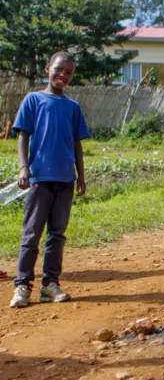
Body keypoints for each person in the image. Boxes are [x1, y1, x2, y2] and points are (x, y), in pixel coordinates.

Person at [10, 52, 90, 309]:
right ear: (47, 68)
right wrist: (24, 168)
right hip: (39, 178)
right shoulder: (34, 100)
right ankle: (23, 285)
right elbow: (23, 135)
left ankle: (50, 285)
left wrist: (81, 175)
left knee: (57, 234)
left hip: (65, 178)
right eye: (59, 69)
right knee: (32, 233)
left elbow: (76, 143)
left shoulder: (73, 107)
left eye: (69, 72)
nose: (63, 75)